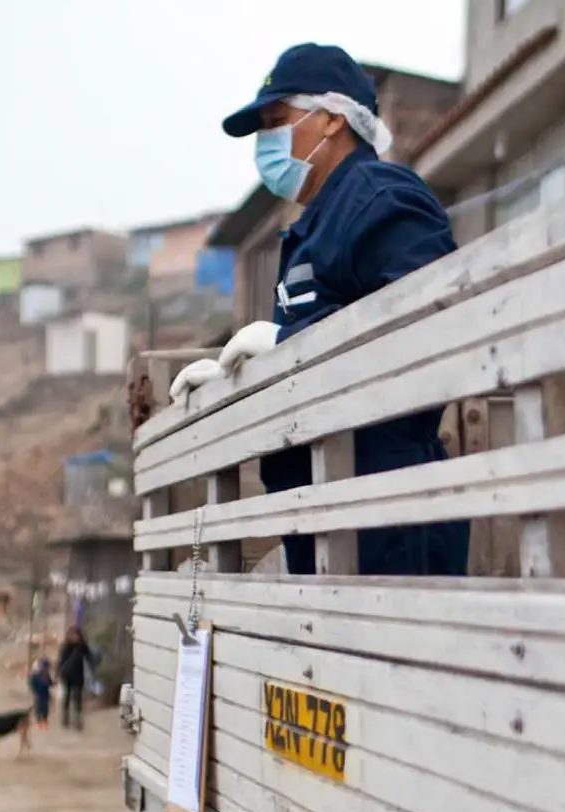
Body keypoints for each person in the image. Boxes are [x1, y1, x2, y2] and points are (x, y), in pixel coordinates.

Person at [170, 43, 470, 577]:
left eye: (277, 121)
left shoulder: (380, 198)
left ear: (332, 119)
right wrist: (230, 380)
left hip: (387, 509)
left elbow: (428, 321)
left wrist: (290, 343)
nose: (266, 143)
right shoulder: (314, 228)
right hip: (325, 511)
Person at [57, 625, 94, 731]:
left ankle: (77, 720)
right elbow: (61, 661)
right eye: (72, 635)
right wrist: (59, 673)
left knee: (77, 698)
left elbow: (89, 657)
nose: (74, 637)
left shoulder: (82, 647)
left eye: (76, 635)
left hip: (78, 676)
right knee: (67, 697)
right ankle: (65, 718)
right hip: (67, 675)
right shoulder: (66, 647)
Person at [29, 657, 54, 730]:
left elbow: (50, 683)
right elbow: (32, 685)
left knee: (45, 708)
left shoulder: (46, 675)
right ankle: (39, 722)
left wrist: (53, 684)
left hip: (45, 694)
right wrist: (34, 693)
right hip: (38, 694)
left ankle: (44, 721)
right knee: (39, 708)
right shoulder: (34, 675)